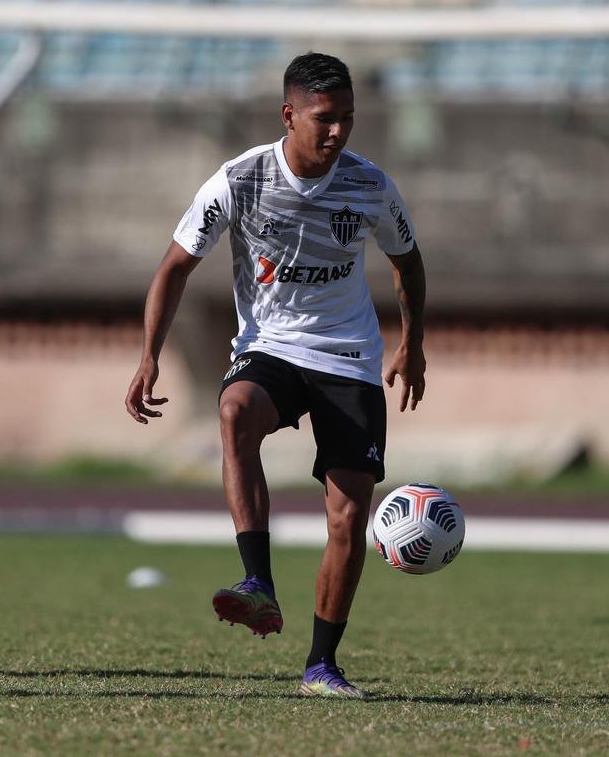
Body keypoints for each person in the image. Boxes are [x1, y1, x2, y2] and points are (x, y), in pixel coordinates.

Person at [125, 52, 426, 698]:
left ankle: (322, 665)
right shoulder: (240, 180)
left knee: (348, 516)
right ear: (289, 114)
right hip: (273, 348)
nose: (338, 131)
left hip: (348, 356)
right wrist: (150, 355)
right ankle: (257, 581)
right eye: (325, 118)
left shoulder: (370, 185)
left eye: (347, 118)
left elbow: (408, 260)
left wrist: (414, 344)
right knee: (235, 410)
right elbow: (174, 266)